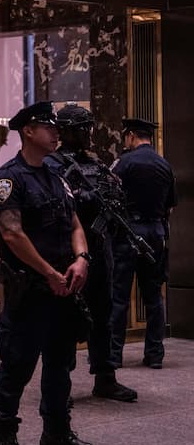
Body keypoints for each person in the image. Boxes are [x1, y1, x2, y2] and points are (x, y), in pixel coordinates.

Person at [0, 101, 94, 445]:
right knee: (17, 364)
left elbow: (75, 223)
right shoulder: (8, 179)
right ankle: (4, 434)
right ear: (28, 132)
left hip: (64, 288)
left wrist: (80, 260)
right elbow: (13, 234)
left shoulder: (56, 177)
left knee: (60, 364)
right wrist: (49, 273)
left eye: (56, 127)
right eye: (47, 127)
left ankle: (57, 430)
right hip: (31, 290)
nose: (55, 133)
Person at [44, 104, 137, 402]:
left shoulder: (96, 164)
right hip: (71, 251)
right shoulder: (52, 164)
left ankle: (105, 376)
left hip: (101, 247)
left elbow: (115, 198)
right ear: (68, 131)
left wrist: (113, 199)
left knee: (104, 313)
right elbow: (56, 205)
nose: (88, 134)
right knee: (67, 316)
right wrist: (86, 199)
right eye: (82, 128)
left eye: (89, 127)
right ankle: (62, 381)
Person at [109, 117, 177, 369]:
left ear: (130, 136)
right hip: (156, 234)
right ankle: (155, 354)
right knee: (154, 297)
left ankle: (114, 355)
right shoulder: (164, 165)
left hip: (128, 234)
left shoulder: (123, 163)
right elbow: (170, 206)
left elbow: (110, 199)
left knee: (119, 297)